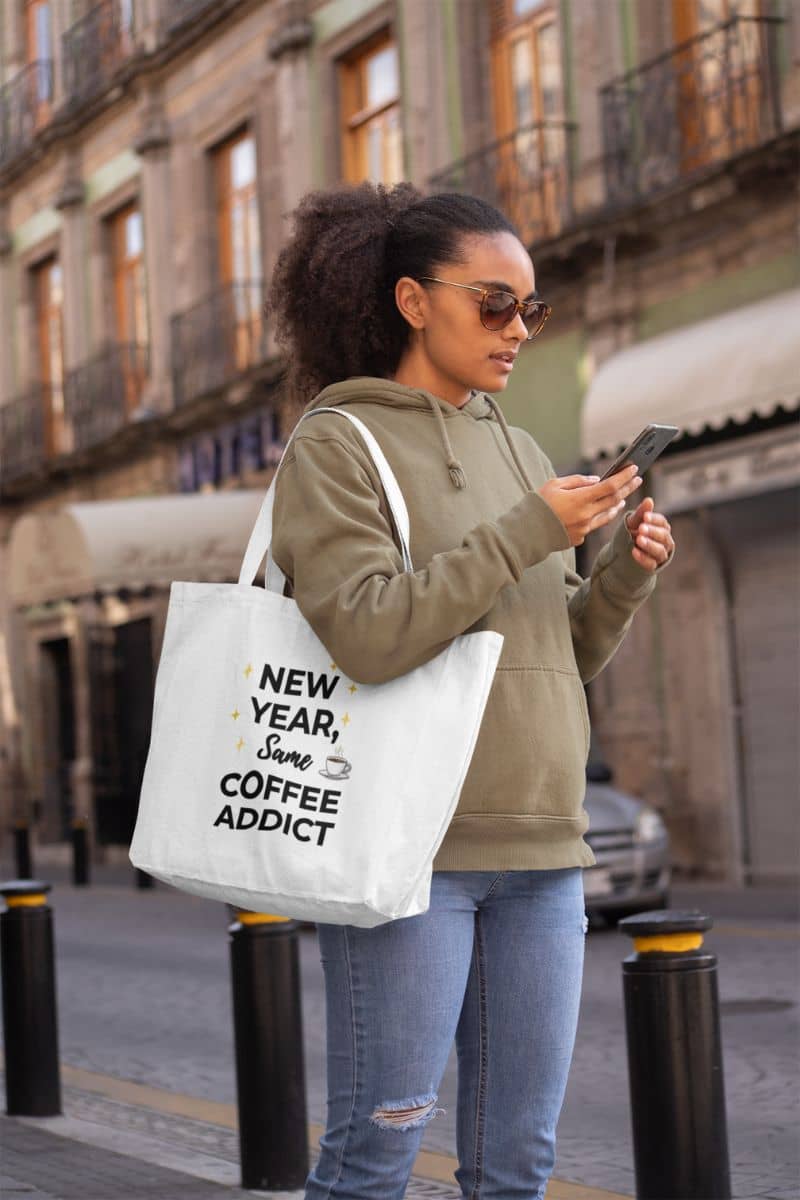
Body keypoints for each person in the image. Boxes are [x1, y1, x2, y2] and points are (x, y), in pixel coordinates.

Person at [267, 181, 675, 1200]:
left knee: (515, 1167)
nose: (516, 331)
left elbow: (557, 656)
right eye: (493, 304)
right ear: (412, 302)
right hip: (413, 859)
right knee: (373, 1161)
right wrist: (529, 530)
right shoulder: (336, 444)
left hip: (543, 851)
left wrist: (619, 574)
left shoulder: (520, 450)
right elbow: (366, 631)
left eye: (529, 309)